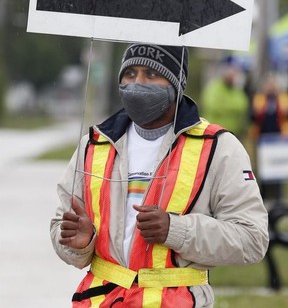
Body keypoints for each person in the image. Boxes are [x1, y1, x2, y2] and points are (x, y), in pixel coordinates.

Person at [50, 43, 269, 308]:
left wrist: (175, 230)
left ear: (177, 83)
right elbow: (60, 229)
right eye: (130, 74)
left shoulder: (219, 147)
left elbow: (252, 240)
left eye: (151, 75)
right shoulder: (94, 144)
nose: (137, 83)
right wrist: (80, 244)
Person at [200, 55, 249, 139]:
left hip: (234, 135)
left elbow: (243, 106)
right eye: (229, 71)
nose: (232, 74)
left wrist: (226, 106)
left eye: (234, 71)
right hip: (214, 135)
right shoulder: (213, 87)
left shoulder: (237, 90)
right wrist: (233, 109)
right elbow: (213, 106)